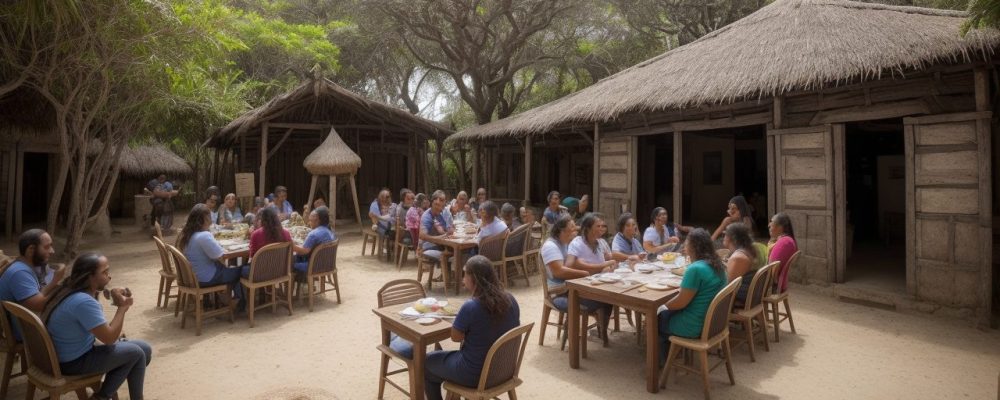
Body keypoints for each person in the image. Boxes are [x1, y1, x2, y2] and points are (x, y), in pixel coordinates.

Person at [42, 253, 152, 400]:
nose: (109, 276)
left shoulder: (69, 289)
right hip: (73, 362)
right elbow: (109, 338)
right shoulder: (83, 302)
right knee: (135, 353)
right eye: (105, 272)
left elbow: (101, 329)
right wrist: (122, 307)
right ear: (89, 276)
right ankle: (103, 396)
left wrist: (109, 290)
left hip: (65, 355)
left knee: (144, 348)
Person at [422, 255, 520, 400]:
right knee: (443, 357)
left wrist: (459, 322)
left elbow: (456, 337)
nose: (463, 278)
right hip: (503, 370)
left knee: (427, 362)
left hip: (474, 375)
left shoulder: (471, 306)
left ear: (473, 278)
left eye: (464, 274)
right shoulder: (510, 299)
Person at [656, 228, 726, 364]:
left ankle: (661, 360)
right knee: (665, 311)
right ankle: (672, 353)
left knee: (657, 316)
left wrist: (662, 307)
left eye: (686, 243)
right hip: (713, 323)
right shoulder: (717, 264)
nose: (684, 246)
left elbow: (681, 302)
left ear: (694, 247)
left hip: (694, 325)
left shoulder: (695, 269)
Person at [540, 216, 611, 325]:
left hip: (570, 288)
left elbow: (576, 262)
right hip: (559, 292)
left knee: (606, 296)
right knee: (603, 299)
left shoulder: (564, 243)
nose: (576, 231)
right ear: (562, 231)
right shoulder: (550, 246)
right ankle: (599, 332)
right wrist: (584, 273)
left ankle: (602, 332)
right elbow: (559, 272)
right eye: (572, 228)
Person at [0, 229, 68, 339]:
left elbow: (42, 287)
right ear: (31, 250)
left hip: (29, 322)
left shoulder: (27, 265)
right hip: (25, 332)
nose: (52, 251)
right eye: (47, 247)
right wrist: (55, 280)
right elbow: (38, 305)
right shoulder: (19, 273)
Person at [178, 204, 243, 310]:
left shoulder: (188, 235)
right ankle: (239, 303)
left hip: (194, 277)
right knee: (241, 270)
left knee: (227, 268)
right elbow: (221, 256)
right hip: (206, 278)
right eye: (209, 217)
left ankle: (226, 299)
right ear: (203, 219)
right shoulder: (204, 236)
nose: (211, 219)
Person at [292, 206, 336, 277]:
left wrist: (292, 245)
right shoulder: (330, 231)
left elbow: (304, 251)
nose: (309, 223)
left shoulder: (314, 234)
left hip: (316, 266)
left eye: (310, 220)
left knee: (289, 264)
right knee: (298, 258)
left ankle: (292, 286)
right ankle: (305, 283)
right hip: (328, 264)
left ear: (317, 220)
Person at [723, 223, 758, 303]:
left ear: (731, 238)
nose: (724, 238)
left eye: (725, 235)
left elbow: (727, 286)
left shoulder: (738, 258)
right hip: (747, 294)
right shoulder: (747, 250)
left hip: (736, 299)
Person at [767, 212, 798, 293]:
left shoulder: (784, 242)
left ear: (780, 227)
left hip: (772, 286)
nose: (769, 225)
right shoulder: (785, 240)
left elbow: (773, 269)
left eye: (772, 222)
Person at [419, 190, 454, 259]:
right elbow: (422, 236)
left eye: (442, 206)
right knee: (455, 253)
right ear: (431, 203)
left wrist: (449, 230)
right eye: (437, 205)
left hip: (441, 244)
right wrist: (440, 238)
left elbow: (446, 230)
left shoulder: (441, 214)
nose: (440, 208)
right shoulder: (427, 216)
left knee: (460, 250)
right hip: (428, 246)